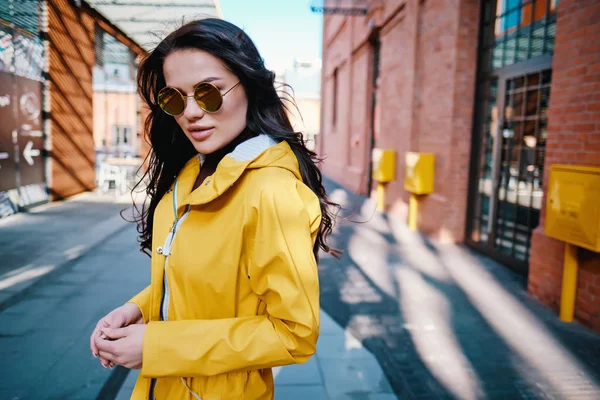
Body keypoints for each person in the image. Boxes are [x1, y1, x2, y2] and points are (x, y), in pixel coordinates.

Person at [89, 18, 339, 400]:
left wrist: (157, 345)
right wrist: (139, 309)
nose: (190, 112)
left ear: (251, 88)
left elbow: (294, 333)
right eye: (174, 98)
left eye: (208, 92)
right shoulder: (189, 176)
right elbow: (209, 283)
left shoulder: (272, 192)